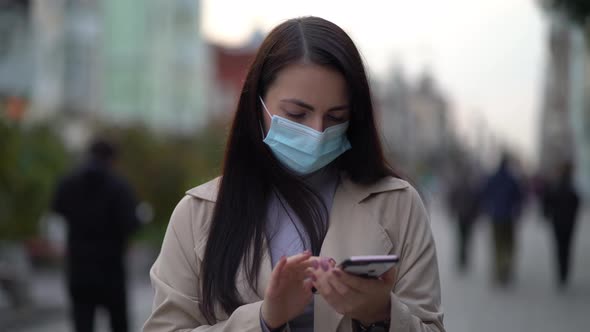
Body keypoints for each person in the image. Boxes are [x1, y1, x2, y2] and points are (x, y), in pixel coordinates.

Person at [143, 16, 444, 332]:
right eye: (296, 114)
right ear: (257, 104)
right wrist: (263, 319)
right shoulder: (198, 214)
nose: (316, 131)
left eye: (335, 116)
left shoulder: (398, 205)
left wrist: (382, 312)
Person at [52, 139, 140, 332]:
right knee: (118, 322)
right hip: (111, 268)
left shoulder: (68, 183)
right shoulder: (119, 187)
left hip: (79, 266)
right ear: (112, 158)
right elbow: (131, 223)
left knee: (82, 322)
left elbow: (57, 210)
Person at [481, 153, 524, 286]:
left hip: (495, 216)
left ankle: (499, 270)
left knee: (497, 245)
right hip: (509, 217)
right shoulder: (512, 179)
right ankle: (506, 268)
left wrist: (488, 208)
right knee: (509, 245)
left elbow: (485, 194)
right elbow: (519, 196)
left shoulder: (493, 178)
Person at [541, 161, 580, 288]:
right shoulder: (571, 187)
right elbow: (576, 204)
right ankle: (565, 272)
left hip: (557, 222)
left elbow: (547, 202)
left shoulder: (555, 186)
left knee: (559, 248)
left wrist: (547, 214)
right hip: (568, 223)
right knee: (567, 248)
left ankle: (561, 273)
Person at [447, 161, 481, 273]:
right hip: (468, 216)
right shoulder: (472, 187)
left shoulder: (459, 186)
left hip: (461, 215)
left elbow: (452, 199)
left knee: (461, 238)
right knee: (466, 238)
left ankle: (462, 258)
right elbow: (476, 202)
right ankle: (464, 258)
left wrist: (452, 210)